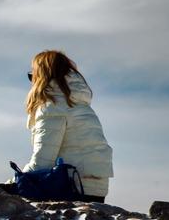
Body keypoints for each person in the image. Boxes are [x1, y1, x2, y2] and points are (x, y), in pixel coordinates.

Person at [17, 50, 114, 202]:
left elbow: (42, 161)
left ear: (42, 76)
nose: (32, 81)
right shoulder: (78, 104)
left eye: (32, 75)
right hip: (94, 190)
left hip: (73, 188)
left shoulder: (53, 107)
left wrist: (11, 184)